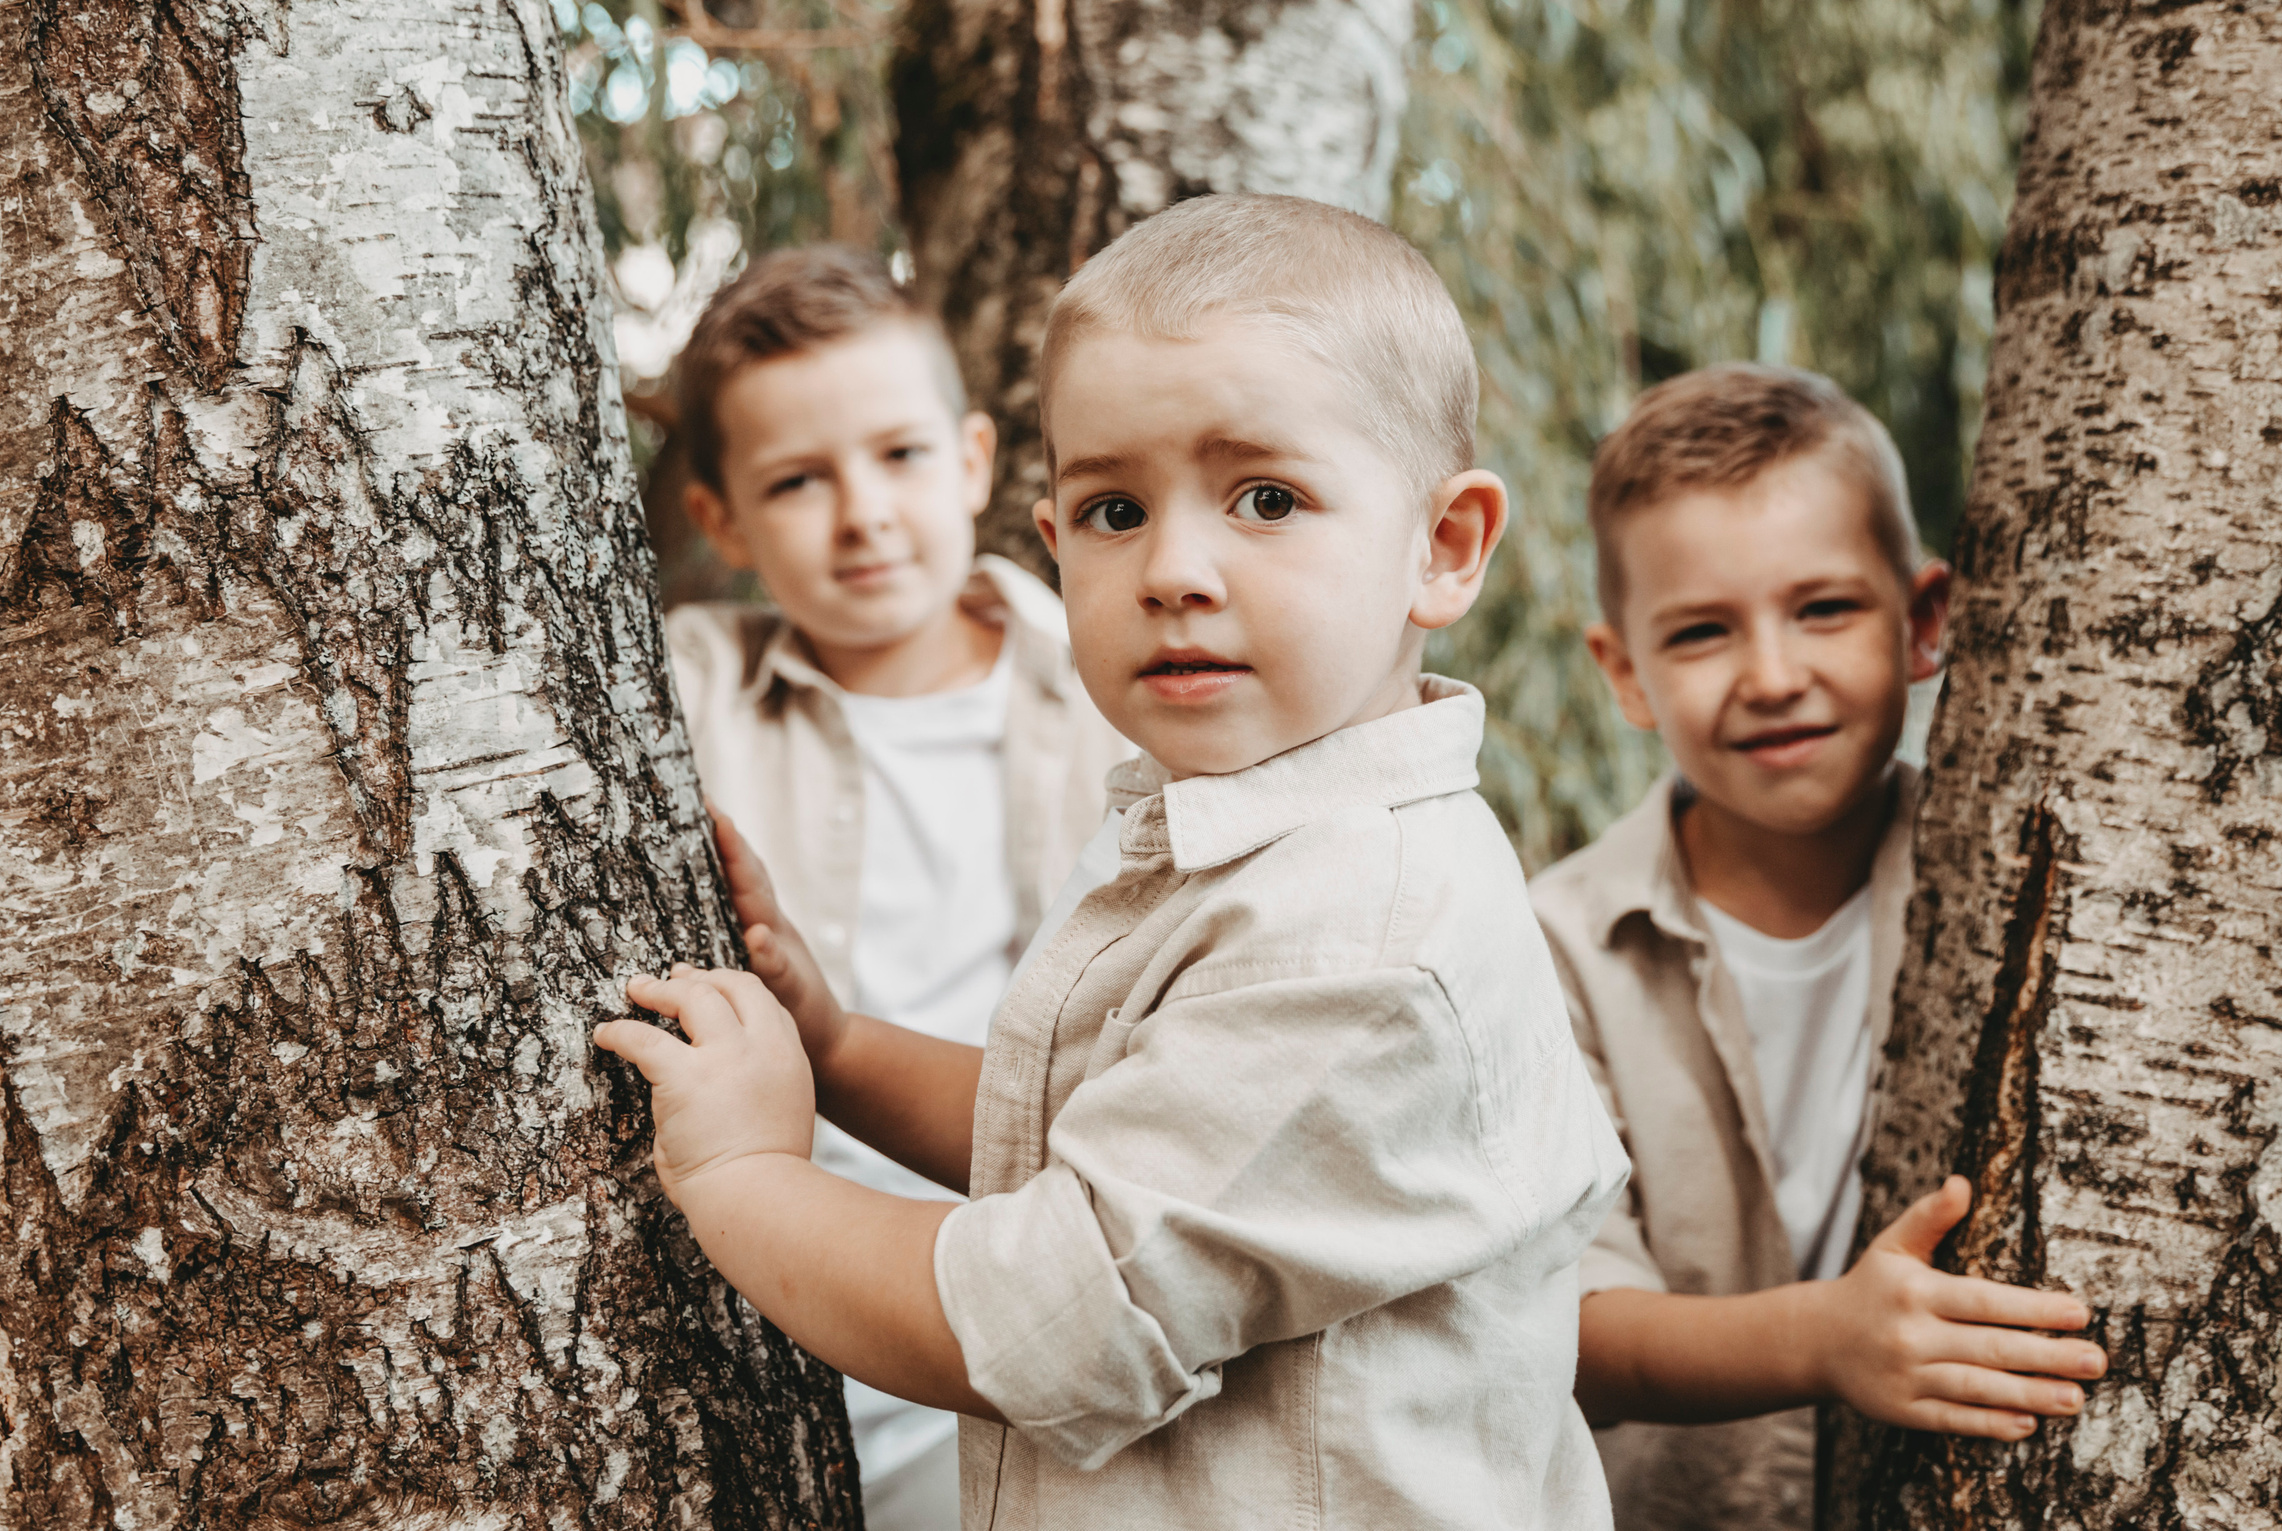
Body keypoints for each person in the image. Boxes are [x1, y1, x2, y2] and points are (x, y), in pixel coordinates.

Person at [599, 193, 1631, 1530]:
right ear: (1048, 538)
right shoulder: (1256, 837)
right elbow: (1073, 1134)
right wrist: (838, 1048)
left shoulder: (1362, 935)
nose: (1174, 567)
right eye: (1113, 508)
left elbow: (1048, 1320)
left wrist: (746, 1171)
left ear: (1444, 545)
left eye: (1267, 497)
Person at [1534, 364, 2109, 1531]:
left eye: (1825, 609)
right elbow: (1558, 1328)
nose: (1773, 676)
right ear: (1625, 674)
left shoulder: (2028, 879)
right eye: (1701, 631)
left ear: (1925, 620)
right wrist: (1822, 1339)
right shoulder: (1552, 951)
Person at [657, 245, 1129, 1529]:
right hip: (797, 1283)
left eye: (900, 457)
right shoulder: (684, 691)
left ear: (975, 460)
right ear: (721, 521)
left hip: (1051, 1287)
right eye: (798, 481)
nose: (861, 512)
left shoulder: (1113, 685)